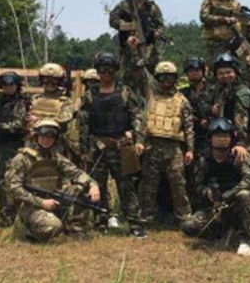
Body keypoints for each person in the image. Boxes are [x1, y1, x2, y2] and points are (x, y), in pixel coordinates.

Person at [77, 52, 145, 236]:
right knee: (98, 185)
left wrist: (139, 140)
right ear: (97, 72)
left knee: (126, 186)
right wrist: (83, 150)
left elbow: (136, 116)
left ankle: (135, 223)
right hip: (98, 146)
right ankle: (101, 221)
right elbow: (83, 123)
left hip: (121, 145)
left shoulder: (125, 91)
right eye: (103, 70)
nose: (106, 74)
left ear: (115, 71)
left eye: (110, 71)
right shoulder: (90, 95)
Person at [4, 120, 100, 242]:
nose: (47, 140)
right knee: (53, 227)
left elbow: (76, 173)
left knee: (81, 188)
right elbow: (14, 188)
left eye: (51, 137)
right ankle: (27, 230)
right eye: (44, 136)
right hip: (31, 206)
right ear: (36, 136)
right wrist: (41, 202)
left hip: (53, 199)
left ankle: (76, 230)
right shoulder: (22, 159)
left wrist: (93, 184)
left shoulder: (55, 157)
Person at [182, 118, 250, 256]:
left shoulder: (239, 156)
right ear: (210, 139)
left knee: (243, 194)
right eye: (217, 136)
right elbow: (196, 185)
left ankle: (246, 239)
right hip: (218, 207)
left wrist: (229, 194)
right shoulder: (205, 160)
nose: (221, 139)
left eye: (225, 136)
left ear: (231, 138)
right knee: (189, 226)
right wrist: (207, 191)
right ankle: (222, 232)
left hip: (242, 205)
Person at [138, 61, 194, 229]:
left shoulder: (182, 100)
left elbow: (189, 126)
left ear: (175, 79)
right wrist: (139, 141)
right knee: (148, 184)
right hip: (152, 145)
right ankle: (146, 218)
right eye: (162, 78)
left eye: (169, 77)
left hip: (173, 147)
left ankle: (184, 218)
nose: (166, 81)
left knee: (178, 184)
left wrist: (190, 149)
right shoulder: (150, 97)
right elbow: (143, 122)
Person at [0, 71, 30, 232]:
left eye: (11, 85)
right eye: (5, 85)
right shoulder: (0, 103)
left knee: (12, 182)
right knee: (0, 182)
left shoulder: (21, 103)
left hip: (13, 147)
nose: (8, 88)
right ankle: (5, 217)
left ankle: (16, 217)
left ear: (17, 85)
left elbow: (18, 126)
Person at [108, 0, 164, 92]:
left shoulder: (152, 7)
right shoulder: (124, 5)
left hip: (148, 49)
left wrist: (156, 33)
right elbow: (112, 20)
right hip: (129, 49)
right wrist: (128, 26)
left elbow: (160, 25)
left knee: (151, 82)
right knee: (128, 83)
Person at [204, 52, 250, 161]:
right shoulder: (216, 89)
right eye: (221, 73)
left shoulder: (242, 91)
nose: (225, 76)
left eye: (228, 72)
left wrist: (241, 143)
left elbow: (241, 118)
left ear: (236, 72)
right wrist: (210, 110)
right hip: (222, 137)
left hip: (245, 138)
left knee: (243, 161)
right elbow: (202, 103)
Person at [180, 57, 212, 202]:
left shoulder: (214, 89)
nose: (194, 73)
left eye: (197, 70)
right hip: (190, 139)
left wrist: (209, 119)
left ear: (203, 71)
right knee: (190, 172)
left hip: (213, 137)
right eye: (191, 71)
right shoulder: (182, 93)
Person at [27, 63, 75, 155]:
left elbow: (63, 119)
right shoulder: (35, 99)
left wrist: (38, 120)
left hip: (56, 143)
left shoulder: (65, 101)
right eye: (46, 80)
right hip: (34, 142)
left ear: (59, 82)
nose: (50, 84)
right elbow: (27, 119)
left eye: (54, 81)